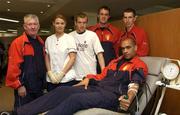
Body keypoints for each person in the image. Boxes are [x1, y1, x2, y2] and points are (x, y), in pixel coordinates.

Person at [16, 35, 148, 115]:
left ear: (135, 48)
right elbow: (101, 76)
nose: (125, 51)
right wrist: (89, 78)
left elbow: (134, 84)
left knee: (75, 99)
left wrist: (129, 97)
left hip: (113, 97)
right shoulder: (115, 62)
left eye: (128, 48)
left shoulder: (138, 65)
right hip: (97, 89)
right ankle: (20, 112)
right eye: (123, 48)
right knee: (63, 90)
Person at [5, 14, 46, 110]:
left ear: (39, 26)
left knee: (37, 111)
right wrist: (19, 86)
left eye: (35, 24)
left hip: (39, 87)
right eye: (29, 24)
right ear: (24, 26)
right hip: (25, 88)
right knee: (23, 111)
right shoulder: (18, 43)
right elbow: (13, 66)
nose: (33, 27)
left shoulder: (41, 43)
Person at [45, 14, 78, 91]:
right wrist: (49, 73)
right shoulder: (49, 39)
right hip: (51, 79)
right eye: (57, 23)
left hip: (66, 79)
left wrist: (62, 74)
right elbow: (47, 57)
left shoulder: (70, 38)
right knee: (51, 101)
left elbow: (72, 58)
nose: (60, 26)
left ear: (65, 24)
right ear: (53, 24)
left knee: (65, 102)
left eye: (62, 23)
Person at [69, 12, 105, 81]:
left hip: (90, 75)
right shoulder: (70, 36)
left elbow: (100, 55)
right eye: (79, 22)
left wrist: (103, 72)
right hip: (75, 76)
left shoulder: (92, 35)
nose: (82, 25)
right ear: (75, 23)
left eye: (84, 22)